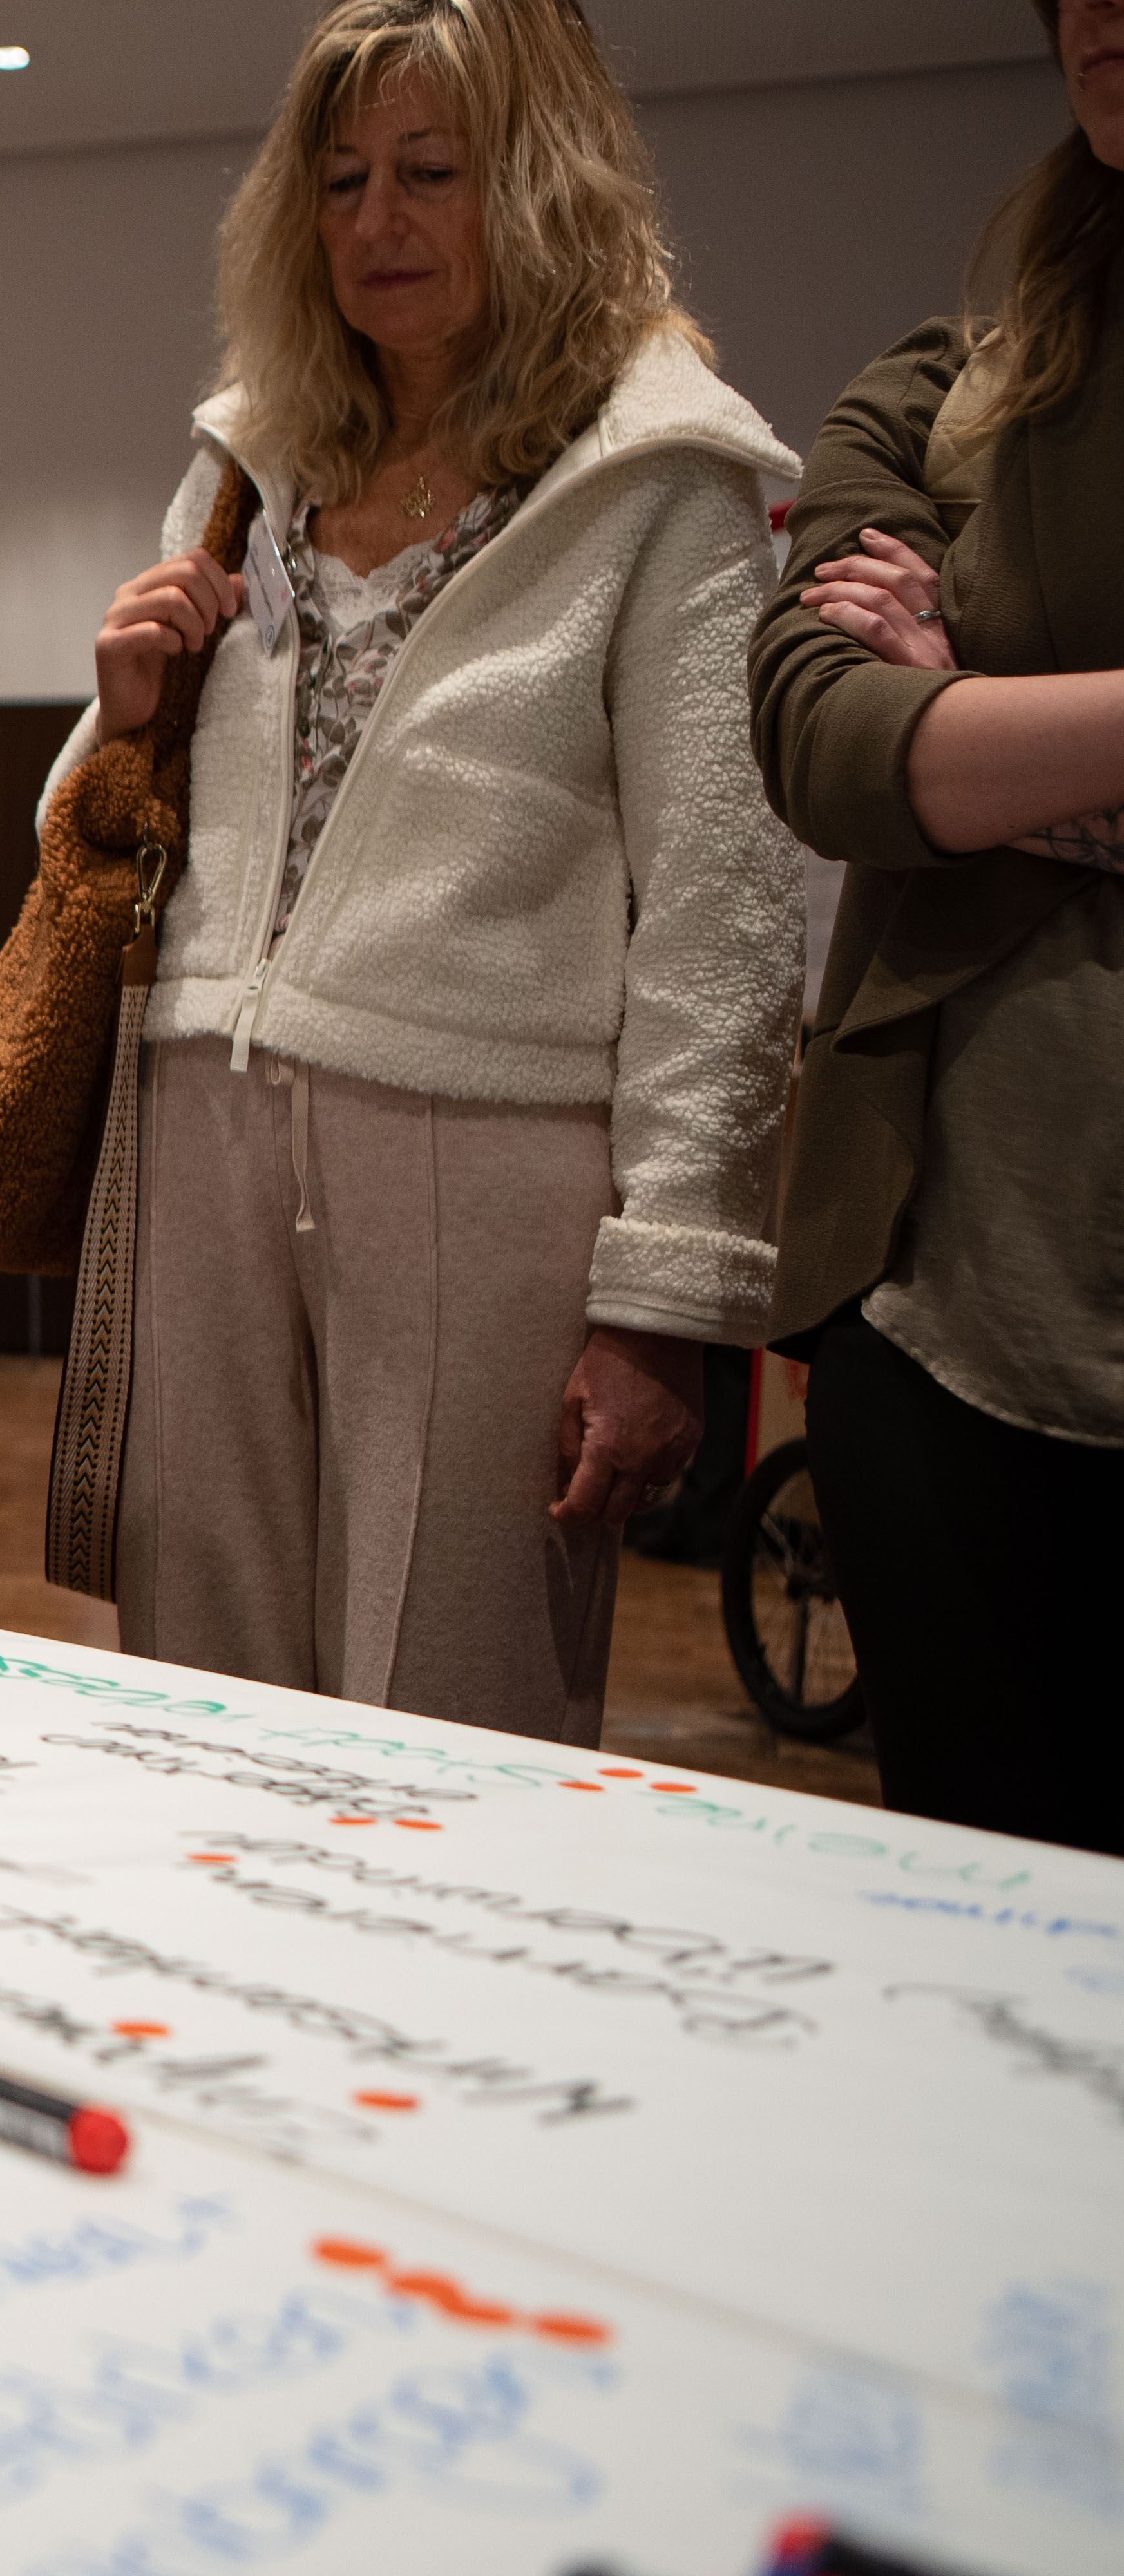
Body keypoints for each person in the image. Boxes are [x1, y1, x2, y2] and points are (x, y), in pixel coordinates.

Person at [58, 0, 800, 1744]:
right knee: (194, 1699)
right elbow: (104, 823)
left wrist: (664, 1299)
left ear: (535, 185)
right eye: (341, 182)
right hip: (198, 1113)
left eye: (429, 174)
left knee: (452, 1707)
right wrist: (119, 710)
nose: (376, 223)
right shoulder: (249, 458)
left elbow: (723, 912)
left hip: (492, 1149)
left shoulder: (661, 478)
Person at [752, 0, 1124, 1857]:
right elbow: (825, 741)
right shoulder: (939, 388)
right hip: (940, 1304)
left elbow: (917, 763)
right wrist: (916, 721)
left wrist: (987, 717)